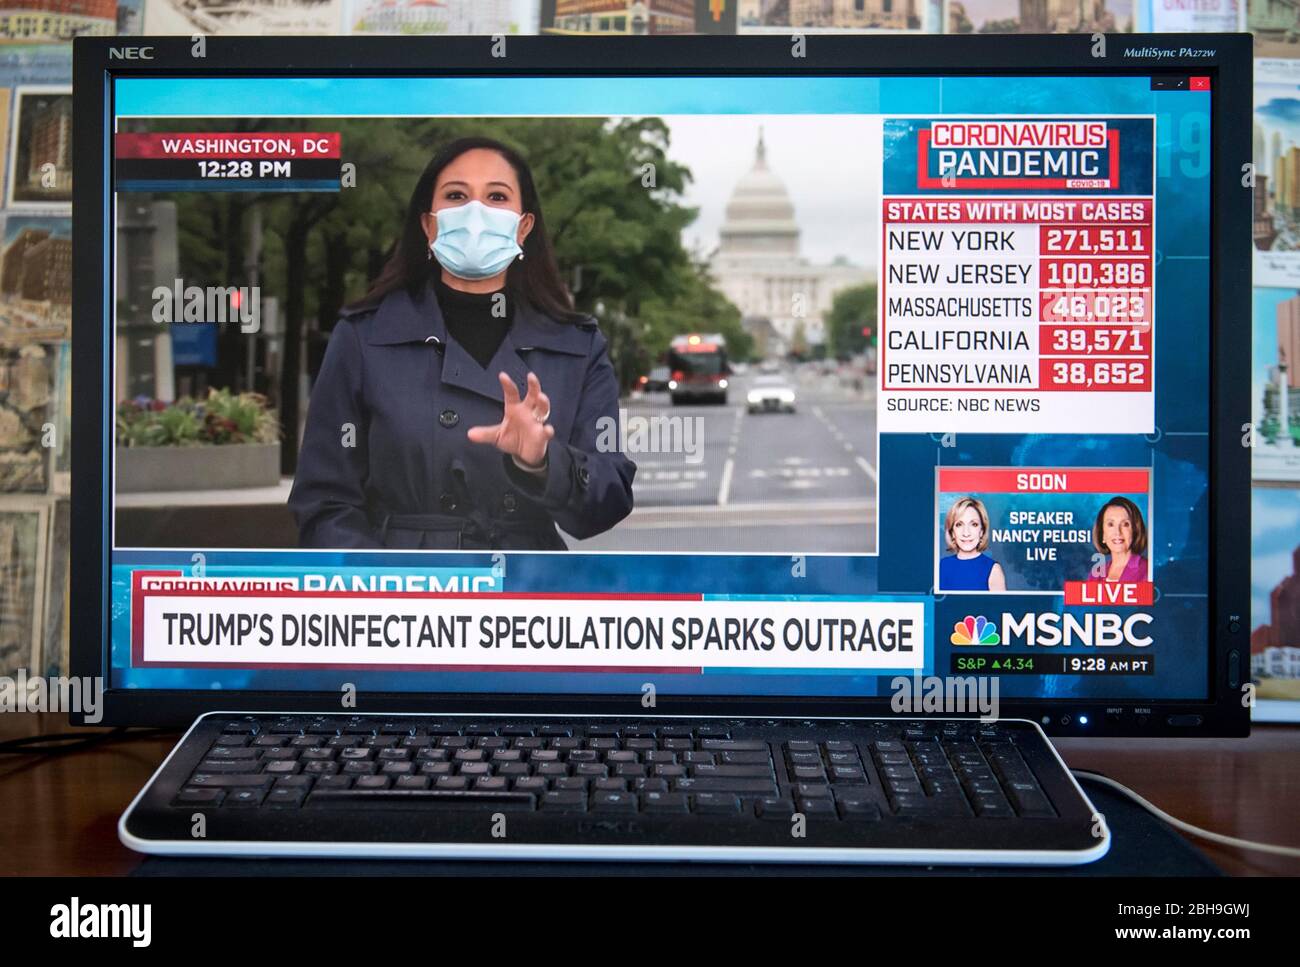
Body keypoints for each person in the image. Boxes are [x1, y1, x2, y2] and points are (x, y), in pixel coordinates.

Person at [288, 137, 636, 550]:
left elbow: (609, 496)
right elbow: (325, 501)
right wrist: (381, 588)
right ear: (428, 224)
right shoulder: (364, 337)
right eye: (456, 195)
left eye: (496, 196)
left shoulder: (576, 345)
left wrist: (543, 463)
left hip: (526, 596)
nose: (476, 213)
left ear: (524, 226)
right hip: (403, 598)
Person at [939, 496, 1006, 592]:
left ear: (982, 531)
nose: (966, 533)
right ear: (952, 532)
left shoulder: (994, 570)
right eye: (959, 524)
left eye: (974, 524)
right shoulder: (941, 566)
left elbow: (1000, 606)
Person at [1091, 496, 1148, 582]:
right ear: (1102, 534)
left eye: (1125, 524)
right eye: (1110, 524)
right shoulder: (1096, 573)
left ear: (1135, 530)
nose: (1117, 532)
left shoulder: (1147, 570)